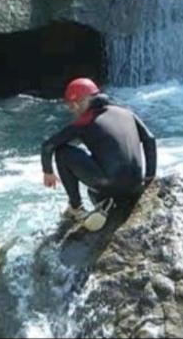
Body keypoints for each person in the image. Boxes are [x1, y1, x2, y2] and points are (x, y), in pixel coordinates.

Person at [41, 78, 157, 232]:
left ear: (82, 102)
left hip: (109, 183)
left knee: (62, 152)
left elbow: (48, 146)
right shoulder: (126, 112)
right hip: (136, 185)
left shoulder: (85, 121)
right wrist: (149, 178)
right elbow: (150, 139)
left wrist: (48, 171)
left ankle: (76, 208)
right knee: (94, 186)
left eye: (72, 105)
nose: (73, 110)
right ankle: (110, 203)